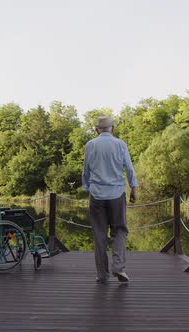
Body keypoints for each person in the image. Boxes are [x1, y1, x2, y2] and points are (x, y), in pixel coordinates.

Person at [82, 115, 138, 283]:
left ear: (96, 129)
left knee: (99, 234)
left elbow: (86, 170)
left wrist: (87, 187)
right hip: (116, 194)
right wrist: (133, 188)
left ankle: (102, 274)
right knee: (120, 231)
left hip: (97, 194)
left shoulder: (91, 145)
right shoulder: (120, 144)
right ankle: (118, 267)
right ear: (112, 128)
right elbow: (129, 167)